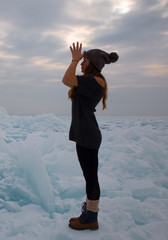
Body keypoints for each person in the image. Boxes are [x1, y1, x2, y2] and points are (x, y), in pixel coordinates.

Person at [62, 42, 119, 230]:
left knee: (91, 177)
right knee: (89, 176)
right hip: (85, 134)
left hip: (88, 135)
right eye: (81, 60)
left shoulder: (96, 81)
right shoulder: (90, 81)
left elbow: (66, 79)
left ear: (92, 62)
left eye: (84, 60)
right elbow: (69, 80)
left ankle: (91, 218)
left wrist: (74, 59)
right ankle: (88, 213)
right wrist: (78, 60)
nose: (81, 63)